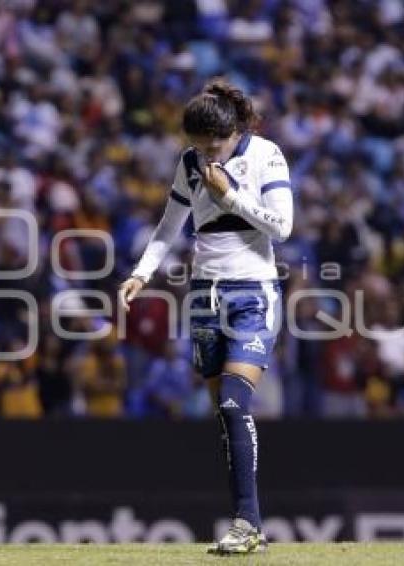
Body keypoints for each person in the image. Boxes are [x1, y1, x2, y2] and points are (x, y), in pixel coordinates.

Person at [119, 79, 293, 555]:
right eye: (198, 147)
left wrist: (230, 195)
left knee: (236, 403)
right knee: (224, 414)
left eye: (214, 146)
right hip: (204, 296)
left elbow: (284, 225)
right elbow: (169, 225)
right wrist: (141, 274)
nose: (207, 155)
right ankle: (247, 523)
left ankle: (247, 522)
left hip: (253, 292)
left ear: (236, 131)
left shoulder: (266, 155)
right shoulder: (191, 161)